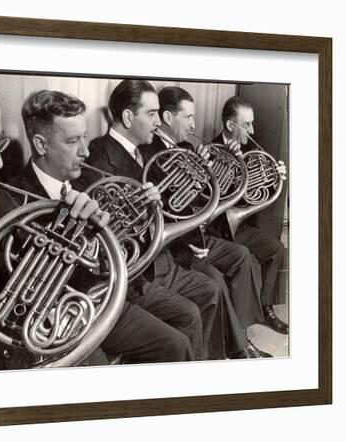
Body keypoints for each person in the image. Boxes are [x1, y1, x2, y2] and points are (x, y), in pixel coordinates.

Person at [0, 70, 191, 371]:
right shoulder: (9, 203)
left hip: (85, 304)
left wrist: (104, 229)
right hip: (32, 340)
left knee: (177, 339)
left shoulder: (76, 185)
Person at [10, 88, 196, 363]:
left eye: (84, 138)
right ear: (41, 145)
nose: (85, 151)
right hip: (60, 317)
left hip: (103, 298)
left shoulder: (82, 180)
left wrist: (143, 212)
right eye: (73, 141)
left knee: (175, 344)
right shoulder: (15, 197)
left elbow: (112, 253)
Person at [74, 79, 228, 360]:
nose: (158, 122)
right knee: (191, 312)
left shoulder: (144, 152)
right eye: (151, 114)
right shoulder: (98, 156)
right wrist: (143, 207)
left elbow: (171, 206)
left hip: (161, 258)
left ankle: (206, 365)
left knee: (210, 290)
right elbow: (104, 231)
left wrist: (195, 181)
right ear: (128, 117)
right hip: (134, 274)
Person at [146, 86, 271, 358]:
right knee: (214, 281)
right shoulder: (150, 153)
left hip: (200, 236)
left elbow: (205, 198)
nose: (194, 124)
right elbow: (169, 209)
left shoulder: (189, 147)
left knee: (242, 255)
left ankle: (242, 333)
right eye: (188, 117)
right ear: (168, 118)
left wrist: (219, 169)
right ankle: (234, 350)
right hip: (181, 244)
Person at [212, 96, 288, 335]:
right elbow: (208, 199)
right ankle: (240, 333)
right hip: (217, 229)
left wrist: (276, 177)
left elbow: (257, 195)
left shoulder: (252, 151)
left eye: (252, 124)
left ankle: (266, 309)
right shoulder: (210, 151)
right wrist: (225, 163)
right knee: (246, 258)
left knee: (277, 249)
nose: (252, 130)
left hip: (239, 226)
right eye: (247, 124)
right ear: (230, 125)